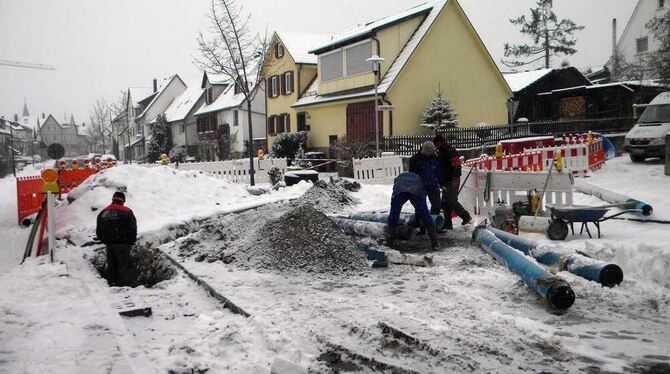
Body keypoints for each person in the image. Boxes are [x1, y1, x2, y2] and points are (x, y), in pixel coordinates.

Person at [387, 172, 440, 251]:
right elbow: (421, 206)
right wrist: (421, 221)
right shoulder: (420, 181)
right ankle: (435, 243)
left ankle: (389, 241)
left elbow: (394, 203)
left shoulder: (399, 181)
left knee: (394, 214)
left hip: (400, 189)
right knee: (425, 214)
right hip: (416, 188)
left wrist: (393, 217)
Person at [96, 191, 137, 286]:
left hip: (109, 245)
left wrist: (104, 240)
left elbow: (99, 230)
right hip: (123, 244)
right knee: (123, 267)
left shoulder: (103, 212)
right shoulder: (127, 211)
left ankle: (112, 284)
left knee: (112, 267)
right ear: (123, 200)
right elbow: (133, 228)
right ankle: (123, 287)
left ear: (113, 199)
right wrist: (131, 241)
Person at [433, 134, 472, 230]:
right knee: (445, 202)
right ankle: (447, 223)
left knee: (451, 200)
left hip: (451, 179)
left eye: (436, 144)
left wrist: (455, 178)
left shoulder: (449, 151)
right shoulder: (441, 152)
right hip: (445, 180)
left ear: (439, 142)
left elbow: (457, 165)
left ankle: (465, 216)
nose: (435, 146)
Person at [408, 141, 441, 215]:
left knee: (436, 204)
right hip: (420, 185)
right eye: (429, 151)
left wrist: (440, 182)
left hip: (433, 184)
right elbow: (412, 173)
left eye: (432, 151)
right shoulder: (415, 159)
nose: (430, 153)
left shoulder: (435, 158)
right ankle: (420, 220)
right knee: (420, 205)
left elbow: (438, 171)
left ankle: (433, 220)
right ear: (424, 150)